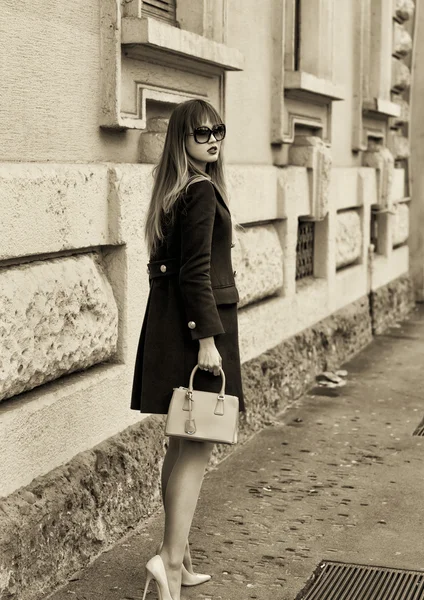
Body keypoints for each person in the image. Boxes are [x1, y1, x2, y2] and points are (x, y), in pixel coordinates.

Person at [130, 98, 245, 600]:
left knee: (180, 442)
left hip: (173, 327)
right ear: (183, 140)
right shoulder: (199, 193)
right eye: (201, 134)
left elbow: (172, 271)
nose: (213, 139)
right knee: (197, 446)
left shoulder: (177, 191)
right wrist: (207, 341)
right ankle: (170, 563)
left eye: (217, 130)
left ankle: (179, 555)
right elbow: (196, 272)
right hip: (196, 333)